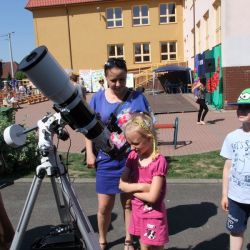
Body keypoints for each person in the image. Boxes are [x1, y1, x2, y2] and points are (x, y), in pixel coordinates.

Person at [85, 58, 152, 250]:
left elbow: (149, 128)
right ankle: (102, 240)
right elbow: (89, 129)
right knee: (104, 207)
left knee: (129, 204)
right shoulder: (97, 98)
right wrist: (90, 153)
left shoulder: (137, 98)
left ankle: (129, 240)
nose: (118, 84)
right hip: (105, 159)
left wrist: (148, 155)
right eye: (113, 80)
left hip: (131, 160)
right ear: (105, 77)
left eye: (122, 79)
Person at [119, 113, 169, 250]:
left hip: (153, 215)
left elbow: (152, 197)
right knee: (143, 245)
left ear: (149, 138)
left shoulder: (158, 161)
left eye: (136, 143)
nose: (132, 147)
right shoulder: (133, 156)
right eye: (129, 144)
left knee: (153, 246)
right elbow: (121, 184)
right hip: (138, 212)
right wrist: (145, 187)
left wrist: (132, 190)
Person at [220, 88, 250, 250]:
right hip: (236, 197)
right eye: (239, 107)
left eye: (247, 107)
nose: (241, 110)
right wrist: (225, 194)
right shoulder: (232, 137)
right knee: (236, 231)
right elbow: (227, 168)